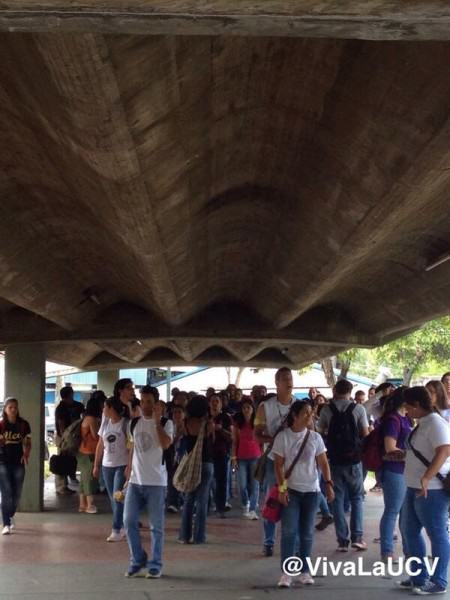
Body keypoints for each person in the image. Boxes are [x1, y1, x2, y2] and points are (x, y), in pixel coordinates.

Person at [274, 400, 334, 588]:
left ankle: (305, 570)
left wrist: (329, 484)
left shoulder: (315, 438)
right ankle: (287, 572)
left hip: (312, 491)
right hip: (291, 490)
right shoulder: (283, 437)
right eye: (306, 413)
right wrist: (282, 489)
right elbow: (278, 466)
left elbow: (323, 463)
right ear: (295, 415)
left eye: (311, 412)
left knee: (307, 533)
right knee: (289, 532)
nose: (310, 416)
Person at [399, 386, 450, 595]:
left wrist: (427, 477)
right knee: (409, 531)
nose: (406, 411)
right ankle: (419, 576)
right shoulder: (423, 424)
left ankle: (439, 581)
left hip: (433, 490)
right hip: (414, 486)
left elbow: (445, 450)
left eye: (408, 407)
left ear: (418, 405)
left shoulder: (436, 423)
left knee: (437, 534)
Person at [123, 386, 173, 578]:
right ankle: (138, 559)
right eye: (142, 401)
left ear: (157, 403)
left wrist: (157, 421)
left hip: (157, 483)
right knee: (128, 520)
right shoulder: (133, 423)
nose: (145, 405)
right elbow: (132, 448)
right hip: (136, 481)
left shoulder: (167, 423)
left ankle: (156, 564)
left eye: (149, 402)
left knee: (156, 527)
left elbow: (166, 443)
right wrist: (128, 469)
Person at [317, 378, 369, 551]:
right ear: (350, 392)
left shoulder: (326, 409)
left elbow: (320, 431)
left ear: (335, 391)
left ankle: (342, 541)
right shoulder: (359, 409)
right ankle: (358, 537)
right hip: (354, 460)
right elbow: (365, 433)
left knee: (337, 500)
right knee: (357, 499)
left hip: (334, 460)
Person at [255, 367, 296, 556]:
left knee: (293, 501)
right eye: (285, 379)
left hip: (295, 463)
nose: (289, 382)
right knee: (272, 500)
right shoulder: (266, 407)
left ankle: (290, 541)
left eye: (291, 378)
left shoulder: (300, 405)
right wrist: (275, 441)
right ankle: (268, 542)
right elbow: (257, 435)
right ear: (277, 383)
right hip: (273, 461)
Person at [377, 387, 412, 562]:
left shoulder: (406, 418)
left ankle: (408, 550)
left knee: (405, 513)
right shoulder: (394, 420)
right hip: (394, 470)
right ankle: (387, 550)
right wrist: (413, 456)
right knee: (392, 510)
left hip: (404, 471)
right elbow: (390, 448)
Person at [178, 395, 215, 544]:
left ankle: (184, 535)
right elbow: (211, 440)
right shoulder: (207, 424)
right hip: (206, 462)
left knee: (188, 499)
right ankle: (199, 536)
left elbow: (181, 439)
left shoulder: (185, 423)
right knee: (202, 500)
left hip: (190, 465)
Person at [93, 396, 130, 541]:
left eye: (105, 407)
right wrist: (96, 465)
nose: (103, 410)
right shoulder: (105, 423)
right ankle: (123, 525)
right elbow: (100, 445)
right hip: (106, 466)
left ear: (111, 408)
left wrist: (130, 466)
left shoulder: (126, 424)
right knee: (114, 498)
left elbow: (131, 446)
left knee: (117, 496)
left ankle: (116, 529)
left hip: (121, 465)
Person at [0, 398, 31, 535]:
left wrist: (26, 453)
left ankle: (11, 513)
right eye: (10, 407)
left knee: (16, 493)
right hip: (3, 462)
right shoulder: (1, 425)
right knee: (6, 492)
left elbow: (28, 442)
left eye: (15, 407)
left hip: (18, 462)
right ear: (5, 409)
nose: (13, 410)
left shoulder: (23, 425)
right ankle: (6, 523)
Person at [232, 399, 261, 519]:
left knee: (255, 484)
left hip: (255, 456)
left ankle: (253, 509)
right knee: (242, 484)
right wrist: (233, 457)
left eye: (248, 407)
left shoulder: (257, 423)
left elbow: (261, 440)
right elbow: (235, 441)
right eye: (244, 408)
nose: (246, 410)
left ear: (253, 409)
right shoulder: (238, 424)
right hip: (241, 457)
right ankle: (245, 504)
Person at [54, 385, 84, 495]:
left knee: (70, 460)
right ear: (71, 394)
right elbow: (61, 425)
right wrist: (64, 440)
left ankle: (67, 482)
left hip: (75, 436)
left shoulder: (77, 406)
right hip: (65, 437)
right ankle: (61, 486)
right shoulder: (61, 408)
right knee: (62, 460)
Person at [78, 394, 103, 513]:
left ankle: (82, 504)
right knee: (88, 479)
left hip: (82, 451)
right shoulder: (91, 419)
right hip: (88, 452)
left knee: (84, 479)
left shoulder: (85, 417)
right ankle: (90, 505)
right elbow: (95, 435)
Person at [209, 394, 233, 517]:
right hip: (206, 454)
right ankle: (205, 506)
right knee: (205, 482)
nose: (214, 404)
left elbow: (231, 436)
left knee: (221, 482)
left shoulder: (226, 418)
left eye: (217, 401)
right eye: (212, 401)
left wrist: (220, 429)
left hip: (221, 453)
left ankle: (220, 507)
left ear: (221, 404)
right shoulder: (205, 417)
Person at [166, 404, 186, 513]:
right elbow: (170, 442)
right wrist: (178, 434)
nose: (177, 415)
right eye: (175, 413)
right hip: (173, 457)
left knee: (183, 480)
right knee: (172, 479)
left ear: (184, 414)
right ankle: (172, 503)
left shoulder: (188, 426)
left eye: (179, 412)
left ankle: (182, 501)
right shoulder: (170, 426)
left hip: (184, 456)